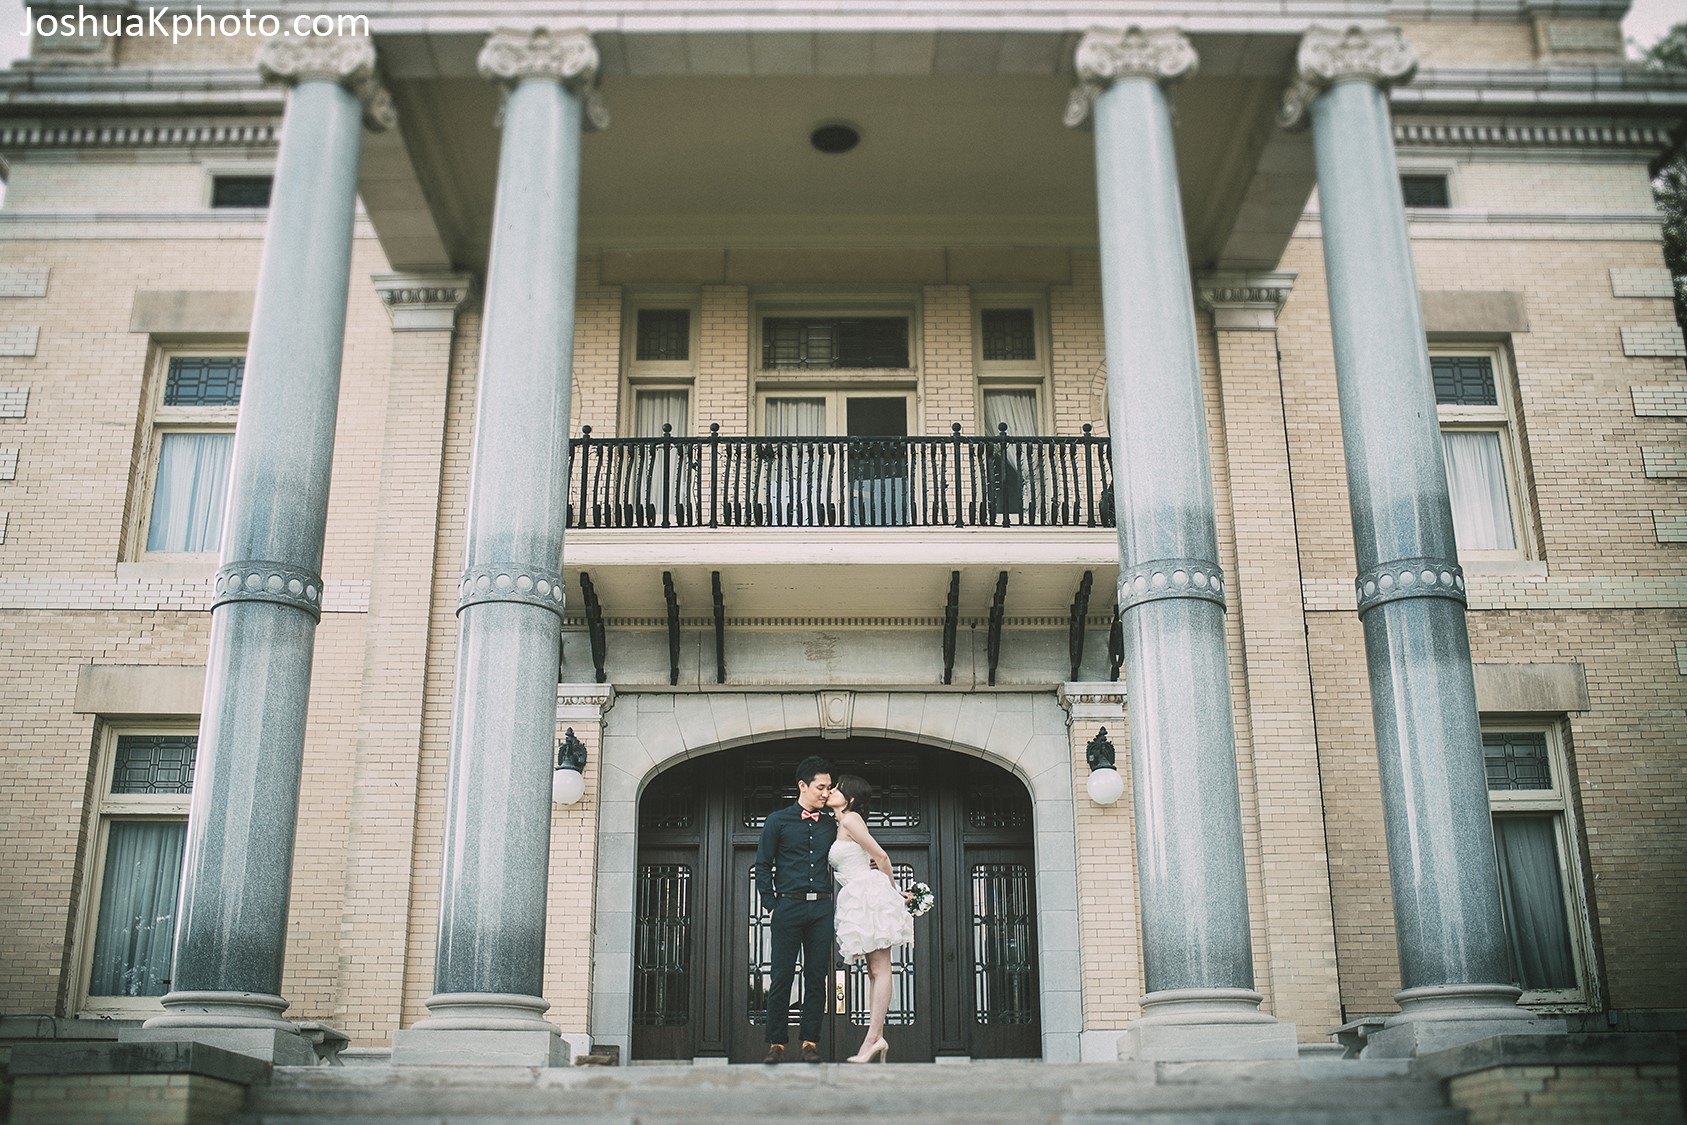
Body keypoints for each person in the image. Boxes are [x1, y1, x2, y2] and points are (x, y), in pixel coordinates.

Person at [827, 773, 915, 1064]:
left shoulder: (851, 819)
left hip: (869, 893)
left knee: (880, 969)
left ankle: (874, 1037)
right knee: (873, 970)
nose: (831, 792)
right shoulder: (842, 822)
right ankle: (874, 1036)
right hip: (860, 893)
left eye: (837, 789)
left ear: (849, 798)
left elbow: (882, 857)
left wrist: (893, 892)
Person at [754, 755, 836, 1064]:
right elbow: (762, 866)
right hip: (788, 906)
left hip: (822, 910)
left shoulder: (831, 824)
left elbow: (847, 854)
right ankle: (776, 1043)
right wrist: (772, 906)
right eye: (820, 787)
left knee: (816, 977)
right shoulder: (777, 821)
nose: (825, 793)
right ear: (802, 786)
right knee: (781, 976)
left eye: (829, 788)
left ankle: (809, 1043)